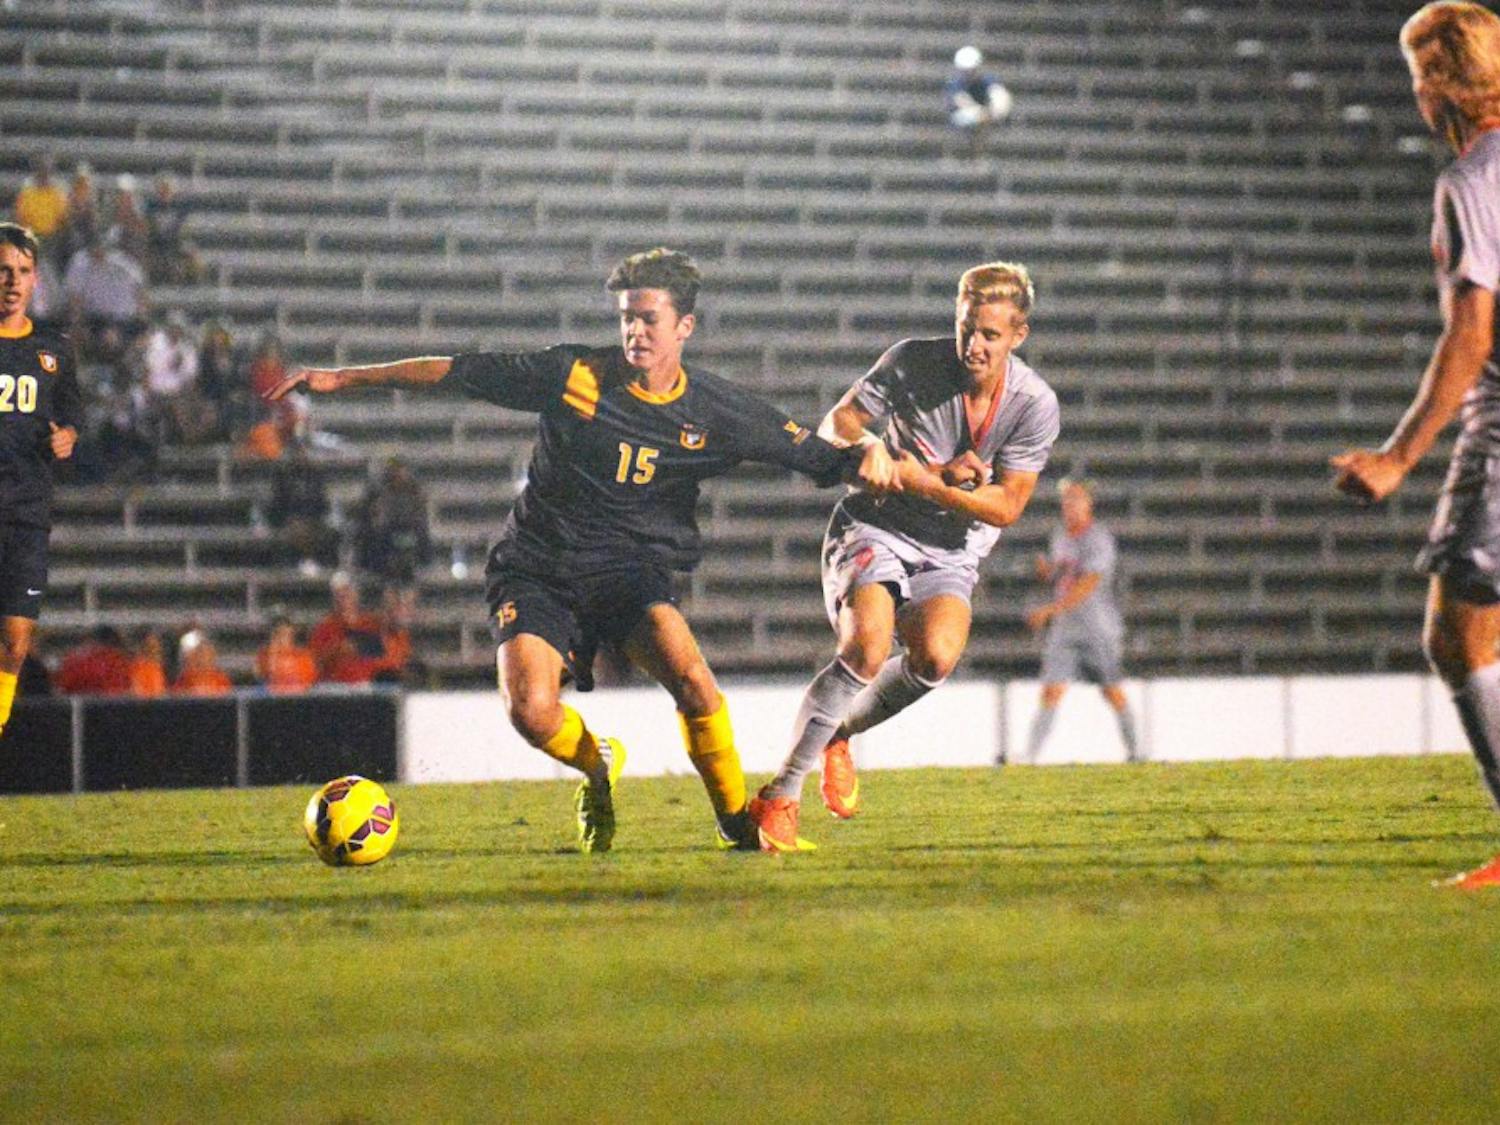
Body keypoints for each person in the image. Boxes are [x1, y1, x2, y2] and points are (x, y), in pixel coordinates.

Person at [267, 247, 896, 852]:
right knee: (531, 713)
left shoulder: (717, 409)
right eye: (627, 318)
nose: (635, 332)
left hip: (628, 574)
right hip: (537, 567)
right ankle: (599, 768)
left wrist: (879, 460)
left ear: (685, 326)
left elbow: (818, 457)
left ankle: (739, 823)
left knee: (696, 683)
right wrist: (345, 378)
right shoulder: (574, 376)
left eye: (649, 318)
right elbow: (457, 371)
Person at [752, 260, 1059, 850]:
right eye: (967, 327)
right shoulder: (911, 361)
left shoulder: (1034, 404)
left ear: (1018, 336)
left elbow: (1008, 506)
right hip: (876, 526)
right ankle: (781, 796)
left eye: (990, 335)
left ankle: (834, 733)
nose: (973, 344)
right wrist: (870, 448)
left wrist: (931, 484)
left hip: (952, 549)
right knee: (867, 646)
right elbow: (838, 421)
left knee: (937, 657)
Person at [1332, 1, 1500, 890]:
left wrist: (1399, 455)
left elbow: (1470, 335)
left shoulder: (1473, 180)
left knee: (1457, 635)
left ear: (1439, 86)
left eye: (1415, 80)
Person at [0, 223, 81, 736]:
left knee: (15, 641)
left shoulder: (55, 351)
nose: (13, 280)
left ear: (35, 281)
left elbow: (73, 418)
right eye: (4, 270)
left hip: (27, 513)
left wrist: (67, 437)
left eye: (23, 271)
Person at [1022, 478, 1140, 764]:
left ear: (1089, 503)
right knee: (1051, 690)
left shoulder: (1099, 539)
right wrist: (1047, 572)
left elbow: (1087, 585)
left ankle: (1136, 752)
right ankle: (1029, 758)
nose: (1069, 505)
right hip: (1066, 630)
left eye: (1076, 498)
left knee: (1111, 691)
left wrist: (1049, 610)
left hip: (1097, 629)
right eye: (1066, 499)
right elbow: (1063, 576)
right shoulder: (1060, 536)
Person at [354, 456, 432, 582]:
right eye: (394, 470)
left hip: (407, 528)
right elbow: (371, 514)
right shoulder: (378, 491)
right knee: (372, 534)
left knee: (419, 534)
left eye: (401, 470)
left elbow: (418, 514)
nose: (398, 474)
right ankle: (378, 568)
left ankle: (420, 564)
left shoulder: (414, 490)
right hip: (386, 528)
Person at [945, 46, 1014, 153]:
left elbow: (1000, 96)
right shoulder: (955, 85)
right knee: (967, 116)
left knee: (1000, 98)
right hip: (968, 122)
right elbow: (963, 103)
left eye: (972, 70)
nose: (969, 74)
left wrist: (995, 110)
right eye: (965, 71)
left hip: (988, 116)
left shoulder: (988, 81)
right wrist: (985, 114)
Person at [55, 625, 132, 696]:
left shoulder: (71, 660)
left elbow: (62, 690)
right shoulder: (118, 661)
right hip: (112, 707)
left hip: (76, 707)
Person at [256, 614, 317, 693]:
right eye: (278, 634)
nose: (283, 638)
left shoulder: (303, 655)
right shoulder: (264, 655)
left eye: (286, 634)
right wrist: (273, 652)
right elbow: (268, 676)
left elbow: (309, 682)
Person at [173, 629, 232, 695]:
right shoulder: (183, 681)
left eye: (205, 652)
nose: (202, 657)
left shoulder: (221, 680)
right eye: (199, 652)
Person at [128, 628, 167, 698]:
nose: (158, 650)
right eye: (152, 647)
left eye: (158, 646)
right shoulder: (142, 667)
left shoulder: (155, 668)